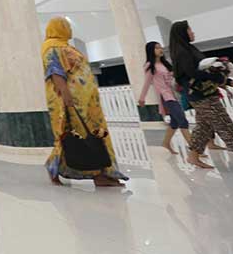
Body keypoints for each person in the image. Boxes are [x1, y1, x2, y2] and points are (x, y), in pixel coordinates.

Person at [169, 20, 233, 173]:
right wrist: (221, 77)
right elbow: (195, 73)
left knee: (204, 127)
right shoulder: (183, 52)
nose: (192, 32)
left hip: (204, 94)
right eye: (189, 29)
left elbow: (203, 71)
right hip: (201, 96)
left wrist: (227, 81)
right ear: (182, 32)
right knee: (226, 128)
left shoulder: (188, 49)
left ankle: (193, 156)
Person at [42, 17, 127, 187]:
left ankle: (103, 173)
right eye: (66, 26)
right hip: (73, 102)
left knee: (93, 135)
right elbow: (55, 73)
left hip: (87, 102)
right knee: (81, 136)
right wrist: (66, 95)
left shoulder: (65, 46)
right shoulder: (51, 47)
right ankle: (98, 174)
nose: (70, 29)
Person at [137, 41, 192, 154]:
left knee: (175, 122)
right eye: (157, 48)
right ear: (151, 50)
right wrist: (142, 98)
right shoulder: (149, 66)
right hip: (165, 96)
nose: (160, 49)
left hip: (174, 95)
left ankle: (166, 143)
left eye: (160, 47)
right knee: (182, 120)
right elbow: (147, 83)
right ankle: (195, 149)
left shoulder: (165, 64)